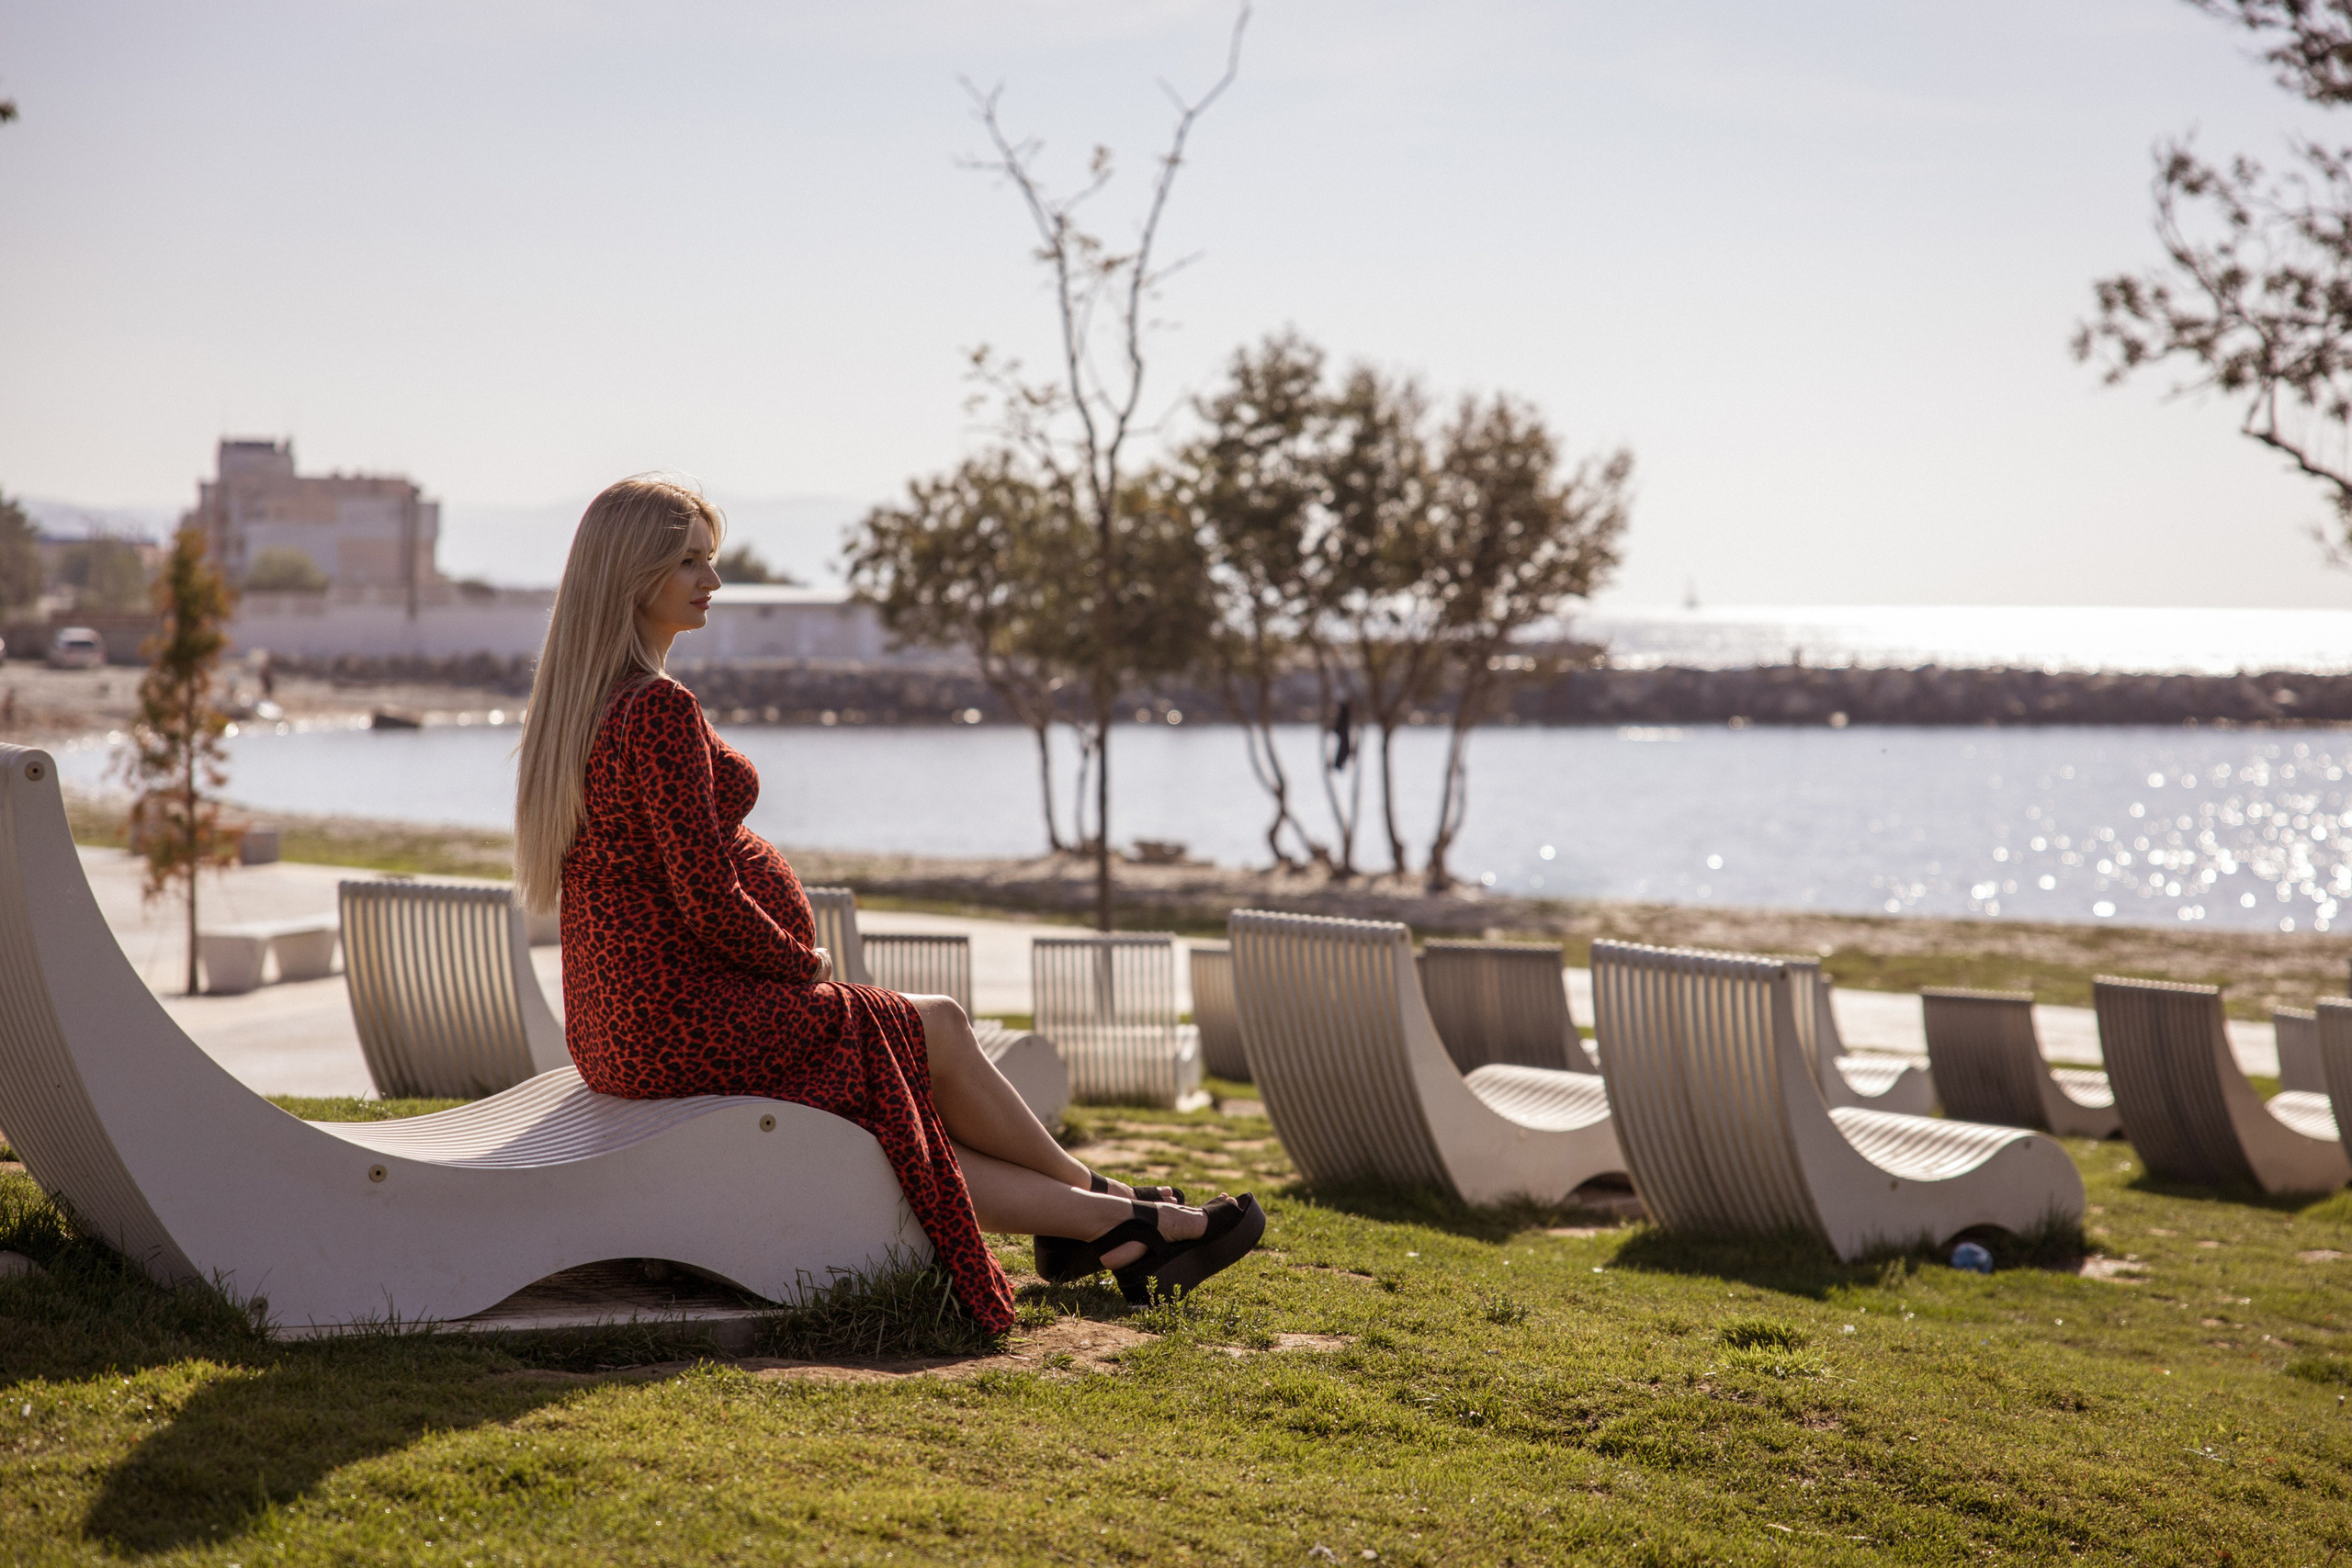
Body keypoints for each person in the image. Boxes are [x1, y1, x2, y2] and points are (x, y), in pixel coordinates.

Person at [513, 476, 1261, 1332]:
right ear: (631, 570)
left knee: (900, 1074)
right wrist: (804, 965)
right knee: (926, 1032)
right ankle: (1114, 1214)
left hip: (623, 1026)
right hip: (681, 1021)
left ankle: (1107, 1217)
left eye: (709, 561)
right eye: (689, 563)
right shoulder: (658, 709)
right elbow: (706, 895)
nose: (712, 582)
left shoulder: (582, 705)